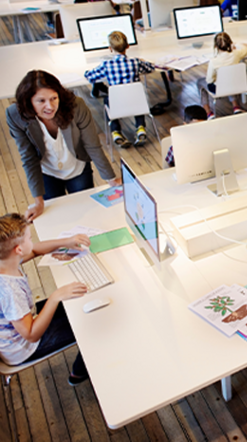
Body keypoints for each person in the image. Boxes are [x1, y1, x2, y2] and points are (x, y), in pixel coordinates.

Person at [6, 70, 119, 222]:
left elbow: (92, 146)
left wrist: (111, 179)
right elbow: (28, 158)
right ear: (28, 101)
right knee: (57, 219)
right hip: (47, 172)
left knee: (86, 214)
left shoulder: (76, 106)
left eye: (54, 98)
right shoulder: (15, 115)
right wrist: (38, 201)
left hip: (77, 168)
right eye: (41, 101)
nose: (50, 106)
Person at [0, 213, 90, 386]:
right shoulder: (9, 291)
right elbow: (31, 334)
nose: (32, 241)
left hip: (25, 320)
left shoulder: (6, 261)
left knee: (77, 304)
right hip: (24, 347)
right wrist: (55, 297)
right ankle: (79, 372)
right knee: (88, 323)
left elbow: (34, 250)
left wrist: (67, 241)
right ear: (18, 249)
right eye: (29, 238)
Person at [84, 31, 156, 148]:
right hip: (136, 102)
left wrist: (86, 72)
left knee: (108, 99)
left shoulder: (106, 64)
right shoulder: (135, 62)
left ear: (110, 48)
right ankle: (140, 128)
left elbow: (90, 76)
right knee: (137, 96)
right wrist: (143, 61)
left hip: (117, 104)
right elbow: (150, 68)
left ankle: (116, 132)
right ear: (128, 46)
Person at [199, 32, 247, 118]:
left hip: (220, 89)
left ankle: (208, 112)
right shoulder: (236, 54)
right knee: (230, 78)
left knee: (200, 82)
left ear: (216, 46)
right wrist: (236, 45)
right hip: (236, 85)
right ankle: (236, 106)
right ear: (230, 43)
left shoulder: (213, 61)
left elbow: (209, 80)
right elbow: (246, 50)